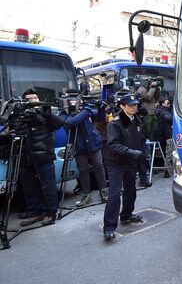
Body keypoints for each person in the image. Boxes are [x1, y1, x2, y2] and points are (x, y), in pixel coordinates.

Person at [13, 89, 64, 226]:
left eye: (35, 98)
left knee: (48, 185)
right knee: (29, 188)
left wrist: (43, 114)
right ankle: (34, 213)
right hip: (25, 157)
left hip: (43, 156)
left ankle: (50, 213)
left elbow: (59, 124)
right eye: (30, 99)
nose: (34, 100)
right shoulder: (18, 115)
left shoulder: (44, 113)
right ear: (24, 101)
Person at [103, 93, 146, 241]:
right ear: (122, 106)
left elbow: (139, 139)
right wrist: (129, 151)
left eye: (135, 105)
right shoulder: (115, 123)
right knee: (115, 194)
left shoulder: (135, 119)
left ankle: (127, 215)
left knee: (131, 190)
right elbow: (112, 144)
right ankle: (109, 227)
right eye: (131, 105)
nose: (134, 107)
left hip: (131, 161)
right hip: (116, 163)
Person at [60, 100, 108, 206]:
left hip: (92, 142)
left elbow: (99, 118)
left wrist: (101, 107)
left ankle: (104, 191)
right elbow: (71, 122)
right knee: (83, 170)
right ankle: (86, 195)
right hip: (78, 145)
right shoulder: (63, 114)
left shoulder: (84, 109)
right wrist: (86, 110)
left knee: (99, 166)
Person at [154, 97, 173, 178]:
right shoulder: (162, 112)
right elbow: (170, 118)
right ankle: (168, 171)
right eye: (167, 103)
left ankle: (167, 170)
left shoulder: (162, 111)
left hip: (164, 135)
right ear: (162, 104)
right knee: (168, 154)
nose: (169, 105)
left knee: (167, 154)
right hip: (166, 135)